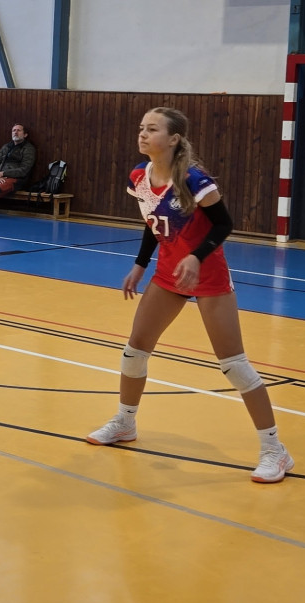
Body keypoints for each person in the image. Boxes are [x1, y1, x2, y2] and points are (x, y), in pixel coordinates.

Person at [83, 107, 294, 484]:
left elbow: (224, 224)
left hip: (207, 275)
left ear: (174, 138)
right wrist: (140, 265)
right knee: (134, 351)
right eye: (141, 128)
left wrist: (196, 257)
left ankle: (275, 450)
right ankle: (125, 423)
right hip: (168, 274)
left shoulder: (194, 180)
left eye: (152, 129)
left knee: (234, 365)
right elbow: (152, 223)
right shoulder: (139, 177)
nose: (142, 134)